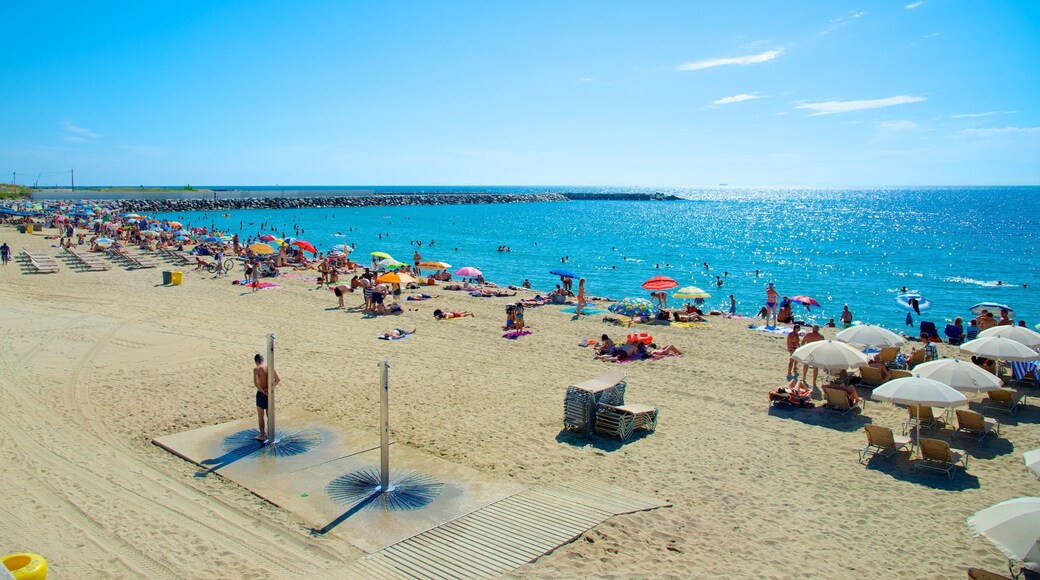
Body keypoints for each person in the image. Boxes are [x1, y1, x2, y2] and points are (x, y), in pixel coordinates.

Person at [252, 353, 280, 442]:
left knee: (261, 416)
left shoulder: (256, 369)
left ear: (256, 362)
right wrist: (269, 388)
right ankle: (270, 433)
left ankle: (262, 435)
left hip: (261, 393)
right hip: (270, 393)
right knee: (269, 415)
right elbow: (278, 379)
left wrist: (262, 390)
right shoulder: (270, 367)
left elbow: (256, 383)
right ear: (263, 360)